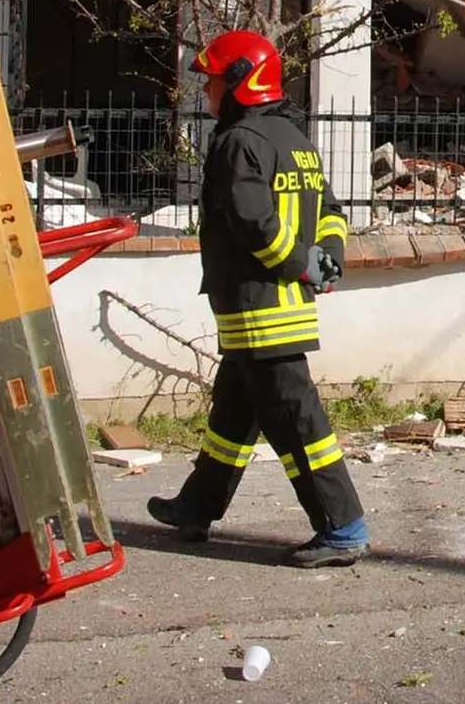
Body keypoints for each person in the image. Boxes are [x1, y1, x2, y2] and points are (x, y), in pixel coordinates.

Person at [146, 29, 369, 567]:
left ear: (242, 80)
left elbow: (253, 224)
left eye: (214, 82)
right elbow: (332, 213)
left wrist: (298, 263)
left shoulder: (238, 142)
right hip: (277, 307)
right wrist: (323, 259)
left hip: (258, 308)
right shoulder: (296, 141)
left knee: (298, 423)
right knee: (233, 414)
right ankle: (197, 507)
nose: (207, 93)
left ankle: (343, 527)